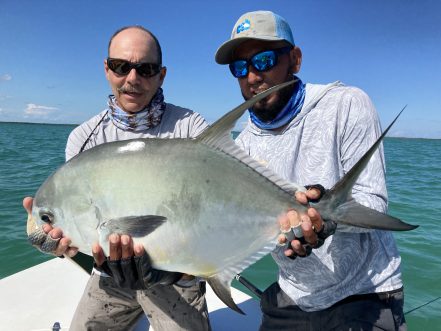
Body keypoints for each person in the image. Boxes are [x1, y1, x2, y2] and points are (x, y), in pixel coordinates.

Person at [215, 10, 406, 331]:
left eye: (263, 61)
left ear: (295, 59)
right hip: (292, 296)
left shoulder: (345, 103)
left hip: (365, 294)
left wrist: (327, 218)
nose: (251, 77)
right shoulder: (242, 145)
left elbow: (373, 203)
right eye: (240, 68)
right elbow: (237, 228)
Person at [24, 26, 212, 331]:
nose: (133, 79)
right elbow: (75, 224)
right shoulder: (83, 138)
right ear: (107, 69)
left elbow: (210, 207)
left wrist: (178, 273)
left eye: (146, 69)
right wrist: (52, 241)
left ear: (162, 75)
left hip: (175, 277)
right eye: (121, 66)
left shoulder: (190, 128)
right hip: (109, 277)